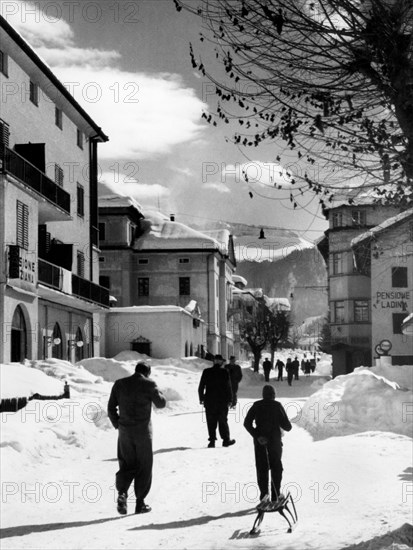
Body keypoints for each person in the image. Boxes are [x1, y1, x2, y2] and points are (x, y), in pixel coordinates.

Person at [108, 361, 166, 515]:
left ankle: (122, 493)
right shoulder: (149, 384)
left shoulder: (120, 384)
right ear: (148, 372)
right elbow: (160, 404)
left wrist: (118, 424)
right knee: (144, 466)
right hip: (143, 433)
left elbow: (110, 408)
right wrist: (159, 392)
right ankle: (140, 503)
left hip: (125, 432)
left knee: (126, 464)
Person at [244, 385, 292, 502]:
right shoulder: (277, 405)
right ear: (274, 395)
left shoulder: (256, 405)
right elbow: (288, 427)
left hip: (260, 442)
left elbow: (247, 423)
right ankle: (276, 495)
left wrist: (257, 436)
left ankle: (264, 495)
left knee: (262, 467)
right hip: (275, 441)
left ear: (263, 395)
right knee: (276, 467)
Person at [198, 354, 235, 448]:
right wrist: (230, 399)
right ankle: (226, 440)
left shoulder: (207, 371)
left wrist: (201, 398)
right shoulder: (224, 372)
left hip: (209, 401)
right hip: (222, 401)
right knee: (223, 421)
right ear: (221, 362)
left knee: (211, 421)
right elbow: (228, 387)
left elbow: (201, 386)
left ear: (213, 361)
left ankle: (212, 441)